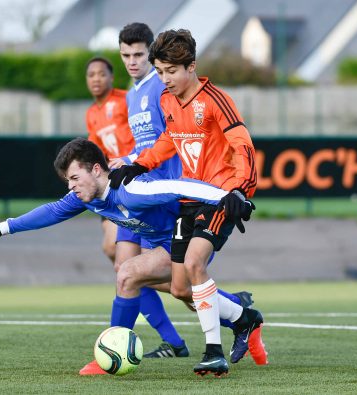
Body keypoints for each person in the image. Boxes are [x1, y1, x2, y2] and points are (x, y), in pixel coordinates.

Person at [0, 138, 260, 377]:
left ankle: (110, 353)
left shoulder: (130, 189)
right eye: (67, 180)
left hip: (187, 236)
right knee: (181, 291)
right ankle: (242, 317)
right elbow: (51, 211)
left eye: (75, 177)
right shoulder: (86, 197)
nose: (71, 186)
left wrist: (230, 196)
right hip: (164, 248)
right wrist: (1, 228)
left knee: (128, 273)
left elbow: (178, 186)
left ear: (95, 170)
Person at [109, 29, 267, 376]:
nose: (165, 80)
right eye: (161, 72)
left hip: (221, 195)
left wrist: (241, 190)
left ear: (191, 67)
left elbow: (243, 146)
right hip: (189, 198)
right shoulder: (167, 101)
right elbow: (169, 139)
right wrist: (139, 164)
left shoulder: (215, 99)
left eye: (172, 72)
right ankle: (245, 318)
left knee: (195, 262)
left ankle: (213, 352)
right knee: (181, 288)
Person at [108, 22, 188, 360]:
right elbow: (144, 144)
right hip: (138, 188)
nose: (132, 61)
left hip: (162, 195)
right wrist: (124, 160)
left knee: (178, 280)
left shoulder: (162, 86)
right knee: (126, 272)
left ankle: (230, 307)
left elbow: (167, 141)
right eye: (126, 55)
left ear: (150, 52)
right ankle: (173, 340)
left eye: (138, 54)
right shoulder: (132, 94)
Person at [85, 56, 134, 263]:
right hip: (113, 186)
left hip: (134, 178)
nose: (96, 79)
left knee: (123, 259)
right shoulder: (91, 114)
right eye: (91, 75)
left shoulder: (125, 100)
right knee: (112, 251)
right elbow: (96, 153)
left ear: (112, 78)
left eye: (102, 74)